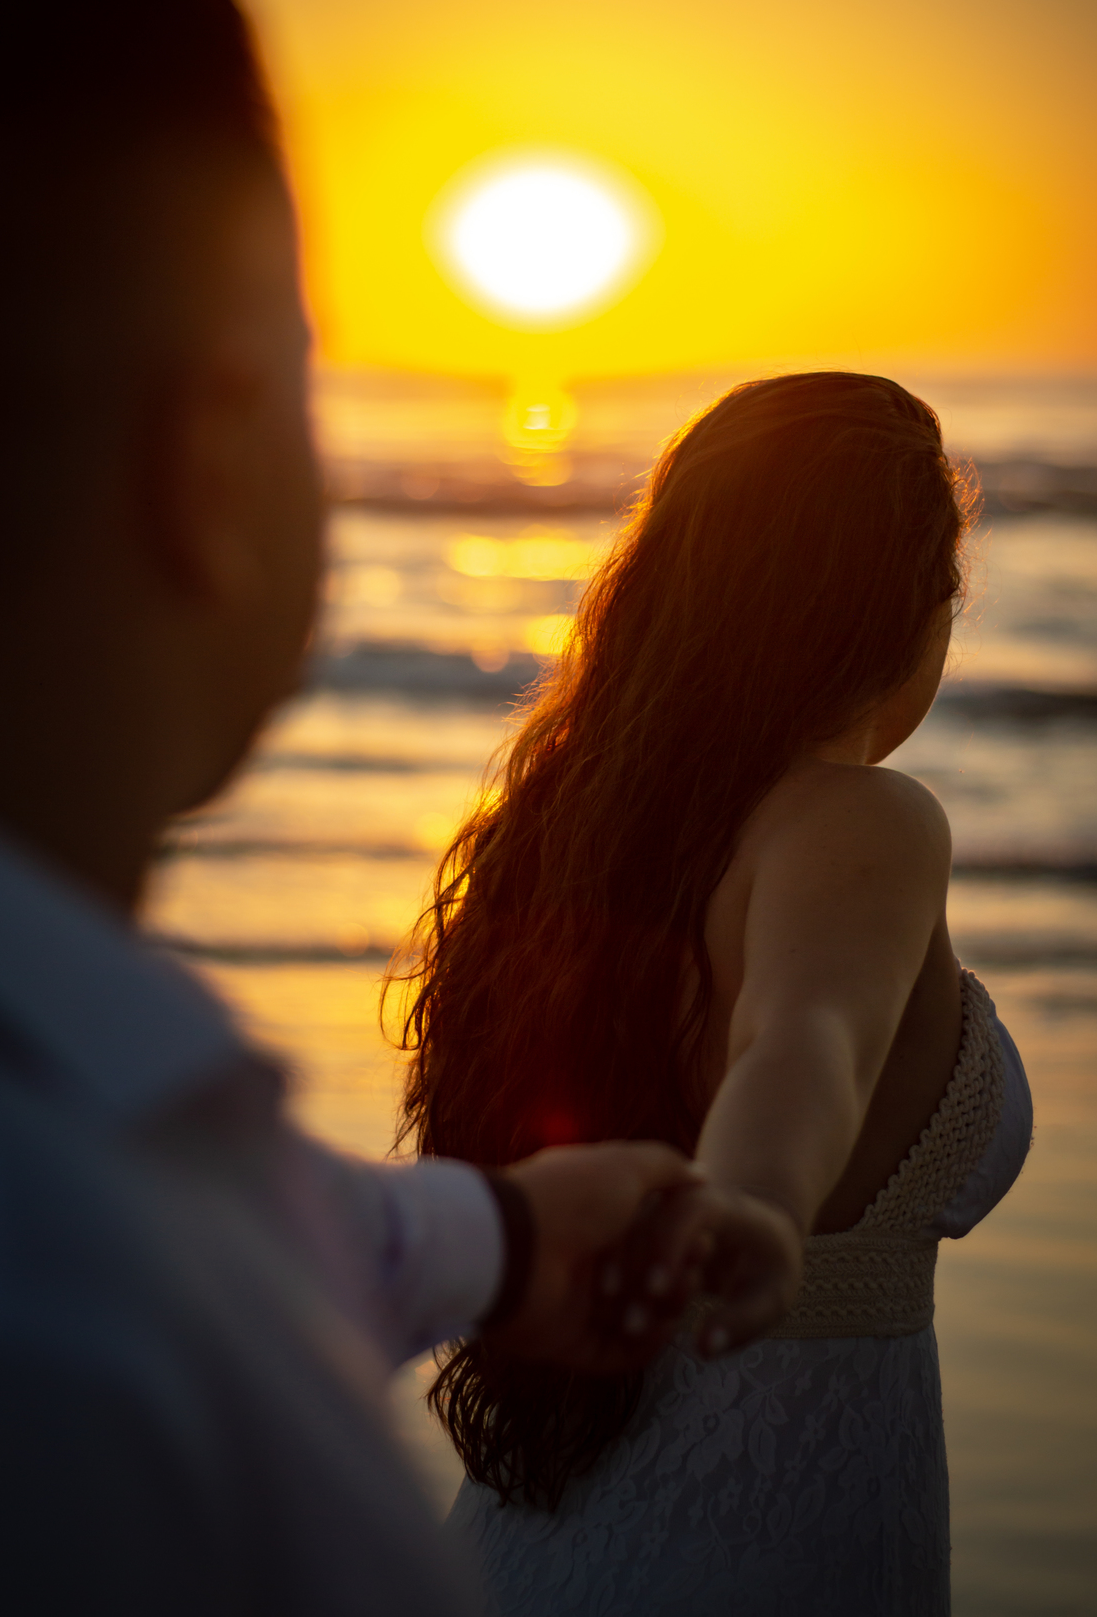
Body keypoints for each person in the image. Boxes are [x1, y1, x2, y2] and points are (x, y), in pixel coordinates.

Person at [0, 0, 785, 1617]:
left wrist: (509, 1235)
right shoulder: (101, 1350)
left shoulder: (107, 1159)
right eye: (313, 370)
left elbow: (275, 1212)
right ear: (215, 458)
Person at [395, 372, 1034, 1614]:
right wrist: (752, 1201)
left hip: (534, 1534)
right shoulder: (863, 818)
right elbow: (807, 1038)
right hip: (761, 1551)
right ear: (908, 607)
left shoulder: (578, 836)